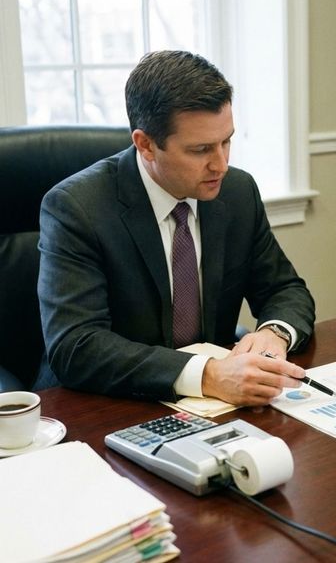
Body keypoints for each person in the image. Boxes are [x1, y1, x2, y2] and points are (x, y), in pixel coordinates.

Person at [38, 50, 315, 404]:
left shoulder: (237, 192)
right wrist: (208, 375)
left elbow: (285, 289)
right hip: (105, 404)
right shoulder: (76, 208)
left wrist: (274, 333)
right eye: (200, 150)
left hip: (213, 408)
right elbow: (77, 346)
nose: (221, 164)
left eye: (226, 141)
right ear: (146, 145)